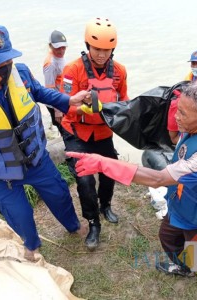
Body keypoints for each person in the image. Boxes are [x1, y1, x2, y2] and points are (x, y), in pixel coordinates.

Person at [67, 81, 197, 299]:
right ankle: (186, 266)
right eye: (177, 109)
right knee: (169, 238)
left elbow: (159, 179)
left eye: (183, 114)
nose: (177, 117)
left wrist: (104, 164)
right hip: (185, 200)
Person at [0, 19, 91, 261]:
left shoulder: (20, 73)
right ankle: (31, 244)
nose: (4, 67)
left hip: (36, 158)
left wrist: (68, 100)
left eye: (7, 59)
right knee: (18, 213)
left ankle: (73, 225)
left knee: (60, 193)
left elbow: (40, 92)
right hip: (1, 174)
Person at [60, 17, 129, 251]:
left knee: (110, 170)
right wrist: (81, 108)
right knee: (85, 179)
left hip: (102, 132)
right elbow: (62, 105)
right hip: (77, 131)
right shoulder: (72, 70)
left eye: (106, 50)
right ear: (88, 45)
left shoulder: (119, 71)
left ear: (113, 49)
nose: (101, 54)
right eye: (97, 49)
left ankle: (105, 205)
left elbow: (124, 100)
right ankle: (93, 223)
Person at [43, 30, 68, 135]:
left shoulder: (59, 57)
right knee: (65, 131)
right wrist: (57, 110)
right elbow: (49, 89)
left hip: (62, 99)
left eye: (63, 47)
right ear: (50, 46)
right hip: (55, 104)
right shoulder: (50, 64)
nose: (61, 50)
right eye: (58, 47)